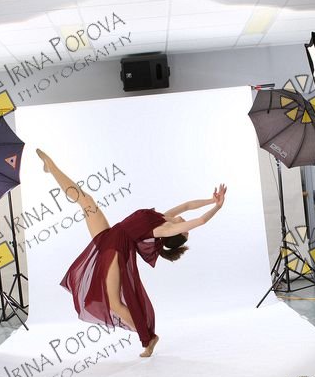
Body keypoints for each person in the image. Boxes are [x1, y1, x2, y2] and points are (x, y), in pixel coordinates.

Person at [36, 149, 226, 357]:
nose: (185, 224)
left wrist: (217, 208)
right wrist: (211, 200)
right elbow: (188, 206)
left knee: (115, 304)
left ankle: (148, 337)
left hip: (116, 251)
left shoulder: (163, 229)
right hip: (110, 236)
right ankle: (51, 168)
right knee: (86, 200)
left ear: (175, 234)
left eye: (185, 231)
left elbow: (201, 220)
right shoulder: (164, 217)